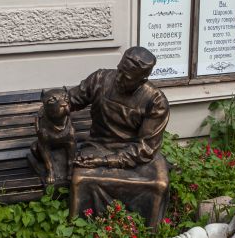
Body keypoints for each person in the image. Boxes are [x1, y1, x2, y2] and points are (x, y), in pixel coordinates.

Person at [67, 46, 171, 226]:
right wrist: (53, 110)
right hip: (98, 145)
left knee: (159, 185)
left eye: (127, 76)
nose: (119, 78)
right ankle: (83, 231)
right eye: (120, 70)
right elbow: (71, 100)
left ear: (142, 79)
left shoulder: (156, 101)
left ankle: (145, 237)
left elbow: (146, 148)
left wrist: (106, 161)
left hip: (137, 155)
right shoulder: (100, 79)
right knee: (80, 180)